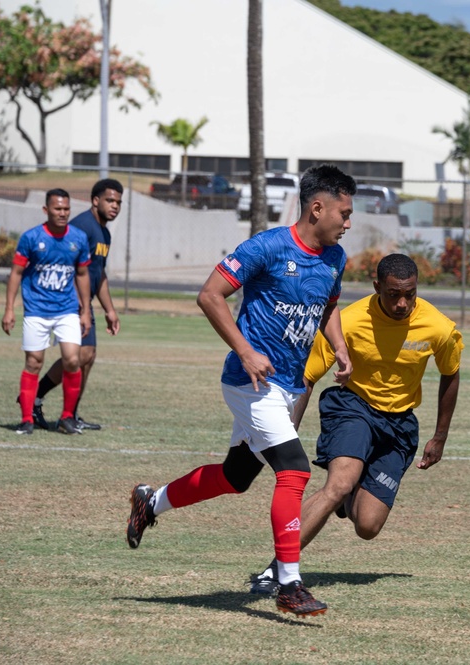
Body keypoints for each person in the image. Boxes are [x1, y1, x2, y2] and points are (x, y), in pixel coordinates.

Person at [125, 164, 356, 618]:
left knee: (236, 477)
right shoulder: (267, 246)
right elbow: (210, 295)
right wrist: (247, 351)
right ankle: (288, 583)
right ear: (317, 207)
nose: (348, 223)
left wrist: (340, 346)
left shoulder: (334, 257)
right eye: (344, 213)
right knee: (294, 469)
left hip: (286, 385)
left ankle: (151, 502)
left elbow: (327, 303)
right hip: (249, 382)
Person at [247, 253, 464, 596]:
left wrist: (440, 436)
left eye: (410, 293)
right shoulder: (347, 322)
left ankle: (350, 496)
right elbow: (308, 377)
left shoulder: (438, 327)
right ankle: (277, 570)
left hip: (399, 426)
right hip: (353, 407)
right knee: (338, 484)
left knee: (367, 526)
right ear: (377, 287)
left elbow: (450, 374)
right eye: (393, 294)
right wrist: (286, 435)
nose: (402, 303)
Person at [28, 179, 124, 431]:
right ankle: (35, 400)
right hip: (70, 301)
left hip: (85, 302)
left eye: (118, 202)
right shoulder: (82, 227)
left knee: (87, 357)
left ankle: (69, 414)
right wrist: (78, 306)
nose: (115, 206)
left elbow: (98, 273)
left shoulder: (104, 233)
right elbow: (65, 263)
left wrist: (110, 310)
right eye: (110, 200)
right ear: (95, 201)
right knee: (78, 356)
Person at [2, 188, 92, 436]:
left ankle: (66, 417)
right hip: (36, 311)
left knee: (73, 359)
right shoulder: (31, 238)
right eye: (57, 209)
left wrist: (85, 310)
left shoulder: (78, 238)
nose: (62, 213)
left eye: (66, 209)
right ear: (46, 210)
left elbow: (83, 275)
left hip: (67, 310)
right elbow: (16, 273)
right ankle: (26, 419)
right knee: (33, 362)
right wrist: (9, 308)